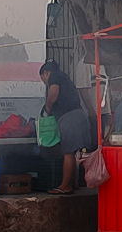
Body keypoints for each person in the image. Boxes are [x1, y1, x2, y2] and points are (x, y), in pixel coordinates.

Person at [38, 60, 92, 195]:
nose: (45, 82)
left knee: (67, 153)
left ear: (46, 73)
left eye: (43, 79)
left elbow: (53, 95)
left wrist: (48, 109)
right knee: (73, 152)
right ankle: (73, 184)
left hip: (69, 118)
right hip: (79, 116)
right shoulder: (65, 78)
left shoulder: (55, 76)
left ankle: (64, 186)